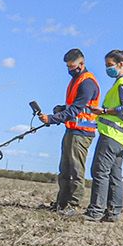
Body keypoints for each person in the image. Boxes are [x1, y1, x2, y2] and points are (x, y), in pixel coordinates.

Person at [41, 49, 102, 213]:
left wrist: (52, 119)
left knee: (75, 171)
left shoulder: (87, 83)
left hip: (82, 134)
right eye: (68, 67)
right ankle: (61, 203)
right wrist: (60, 109)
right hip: (71, 131)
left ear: (82, 63)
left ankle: (73, 206)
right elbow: (72, 107)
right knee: (64, 170)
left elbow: (76, 110)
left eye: (73, 66)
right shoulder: (76, 80)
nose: (70, 70)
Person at [85, 50, 123, 222]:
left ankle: (95, 211)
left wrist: (102, 111)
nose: (107, 69)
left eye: (109, 65)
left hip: (113, 135)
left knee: (100, 171)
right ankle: (112, 213)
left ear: (120, 64)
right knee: (114, 175)